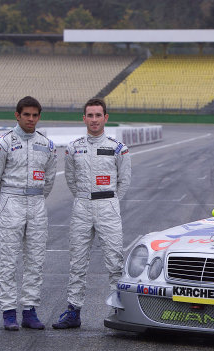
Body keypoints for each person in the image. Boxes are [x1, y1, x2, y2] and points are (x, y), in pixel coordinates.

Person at [52, 98, 131, 329]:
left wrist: (109, 200)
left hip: (108, 205)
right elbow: (70, 179)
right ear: (84, 118)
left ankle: (120, 311)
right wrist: (85, 197)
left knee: (114, 260)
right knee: (77, 261)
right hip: (82, 206)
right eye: (90, 115)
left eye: (98, 115)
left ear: (105, 118)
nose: (94, 120)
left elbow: (124, 182)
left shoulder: (119, 147)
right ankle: (73, 311)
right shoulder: (74, 146)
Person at [0, 96, 57, 331]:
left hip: (36, 203)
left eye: (35, 115)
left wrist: (35, 198)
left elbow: (49, 180)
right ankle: (8, 312)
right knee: (8, 259)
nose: (31, 119)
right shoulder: (2, 143)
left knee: (35, 260)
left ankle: (29, 310)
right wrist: (3, 205)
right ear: (17, 115)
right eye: (27, 114)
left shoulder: (47, 144)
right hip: (10, 201)